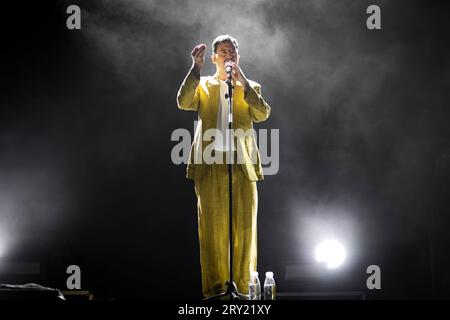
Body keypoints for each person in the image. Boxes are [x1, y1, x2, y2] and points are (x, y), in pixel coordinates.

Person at [176, 34, 271, 298]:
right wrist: (195, 68)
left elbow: (262, 114)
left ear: (238, 59)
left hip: (242, 165)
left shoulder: (251, 86)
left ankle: (243, 288)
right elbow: (183, 102)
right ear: (215, 58)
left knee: (244, 229)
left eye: (233, 52)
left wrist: (243, 84)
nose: (229, 55)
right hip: (210, 164)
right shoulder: (203, 84)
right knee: (212, 230)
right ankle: (216, 290)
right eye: (223, 51)